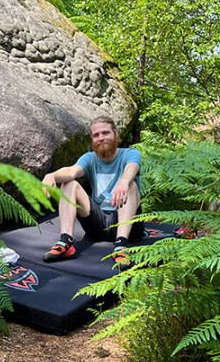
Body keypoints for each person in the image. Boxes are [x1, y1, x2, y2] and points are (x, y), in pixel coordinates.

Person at [41, 116, 144, 270]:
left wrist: (124, 182)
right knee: (69, 184)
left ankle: (121, 246)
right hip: (99, 223)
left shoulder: (129, 154)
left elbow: (132, 168)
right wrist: (51, 175)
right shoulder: (90, 158)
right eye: (96, 135)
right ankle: (66, 242)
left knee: (131, 186)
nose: (101, 138)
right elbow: (71, 172)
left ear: (116, 134)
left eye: (105, 133)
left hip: (127, 223)